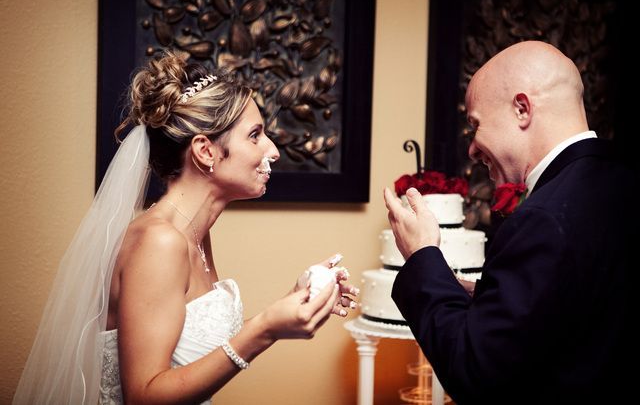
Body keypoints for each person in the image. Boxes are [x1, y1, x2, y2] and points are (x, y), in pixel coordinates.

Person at [14, 50, 357, 404]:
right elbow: (144, 395)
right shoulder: (159, 243)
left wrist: (293, 301)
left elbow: (188, 348)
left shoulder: (194, 233)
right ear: (205, 152)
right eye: (255, 136)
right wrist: (265, 328)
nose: (273, 151)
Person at [384, 41, 634, 404]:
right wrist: (487, 294)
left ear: (521, 109)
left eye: (475, 125)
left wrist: (422, 253)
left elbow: (474, 371)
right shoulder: (620, 180)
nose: (471, 147)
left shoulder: (544, 218)